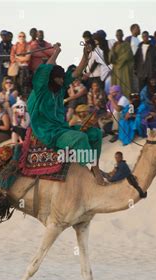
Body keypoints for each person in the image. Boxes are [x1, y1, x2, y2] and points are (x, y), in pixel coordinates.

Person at [27, 42, 104, 184]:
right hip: (48, 132)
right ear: (51, 78)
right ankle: (88, 172)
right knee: (80, 138)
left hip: (62, 129)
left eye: (63, 78)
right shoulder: (41, 90)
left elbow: (76, 73)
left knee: (95, 134)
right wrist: (56, 52)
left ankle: (95, 167)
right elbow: (45, 70)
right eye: (59, 77)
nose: (62, 81)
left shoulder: (60, 88)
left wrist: (85, 56)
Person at [109, 29, 133, 98]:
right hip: (116, 69)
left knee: (125, 85)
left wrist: (118, 62)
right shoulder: (114, 45)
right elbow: (110, 58)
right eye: (117, 35)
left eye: (120, 35)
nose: (119, 36)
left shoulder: (126, 45)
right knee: (116, 85)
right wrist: (113, 49)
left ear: (122, 35)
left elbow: (128, 55)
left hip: (124, 69)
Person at [10, 32, 31, 97]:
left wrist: (17, 57)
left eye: (23, 36)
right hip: (17, 68)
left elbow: (27, 58)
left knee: (25, 84)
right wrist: (22, 58)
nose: (21, 37)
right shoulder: (15, 46)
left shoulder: (28, 46)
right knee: (16, 84)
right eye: (20, 36)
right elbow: (12, 58)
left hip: (25, 68)